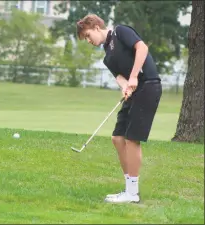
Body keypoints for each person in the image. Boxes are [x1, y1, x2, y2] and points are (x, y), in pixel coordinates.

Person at [76, 14, 162, 203]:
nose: (89, 41)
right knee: (117, 138)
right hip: (133, 91)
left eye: (88, 36)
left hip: (148, 85)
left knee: (132, 139)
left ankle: (132, 194)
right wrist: (125, 85)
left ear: (97, 27)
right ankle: (129, 189)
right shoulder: (107, 57)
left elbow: (142, 48)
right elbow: (119, 77)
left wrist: (133, 78)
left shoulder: (121, 32)